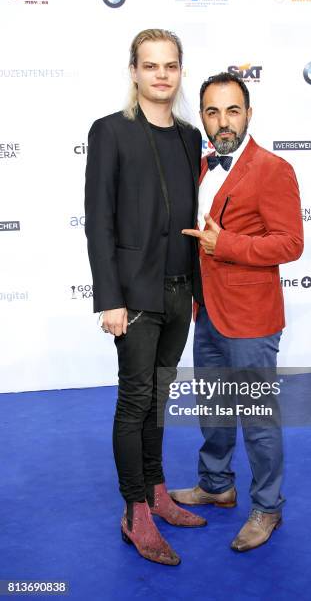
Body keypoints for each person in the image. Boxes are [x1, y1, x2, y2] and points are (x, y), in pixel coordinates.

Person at [84, 28, 206, 567]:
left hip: (181, 292)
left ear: (180, 72)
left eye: (171, 66)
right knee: (135, 404)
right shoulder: (110, 131)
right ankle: (135, 511)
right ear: (133, 71)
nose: (162, 74)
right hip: (133, 296)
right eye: (151, 65)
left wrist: (199, 291)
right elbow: (98, 222)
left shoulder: (189, 136)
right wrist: (109, 299)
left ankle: (157, 492)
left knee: (160, 399)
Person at [170, 72, 304, 552]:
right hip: (207, 310)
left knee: (257, 417)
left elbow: (290, 243)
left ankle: (267, 508)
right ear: (203, 116)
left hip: (251, 316)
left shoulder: (272, 168)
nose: (222, 122)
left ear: (248, 114)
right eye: (212, 111)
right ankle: (216, 484)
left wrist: (224, 243)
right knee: (214, 407)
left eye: (232, 110)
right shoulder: (201, 167)